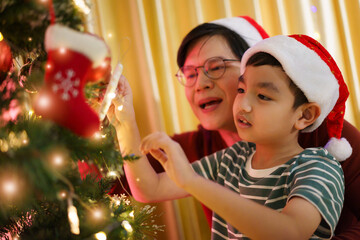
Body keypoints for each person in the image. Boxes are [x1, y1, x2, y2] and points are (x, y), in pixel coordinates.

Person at [105, 16, 360, 238]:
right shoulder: (231, 159)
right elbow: (148, 188)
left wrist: (192, 182)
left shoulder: (319, 164)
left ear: (305, 115)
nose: (244, 105)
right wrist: (125, 121)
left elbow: (289, 233)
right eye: (241, 89)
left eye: (215, 68)